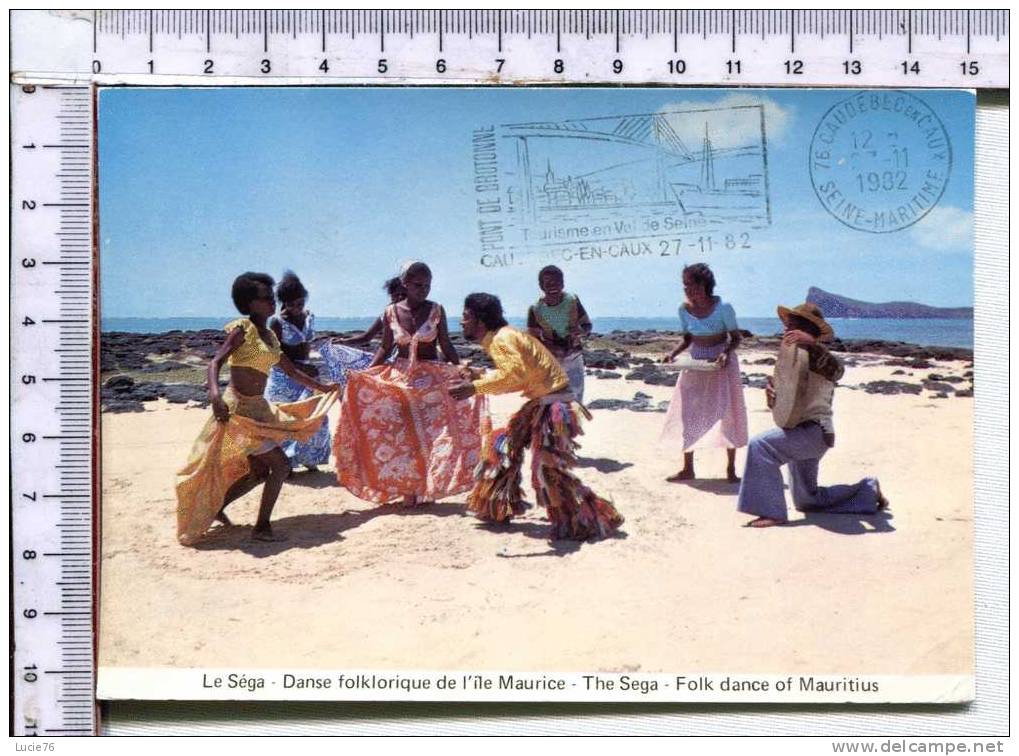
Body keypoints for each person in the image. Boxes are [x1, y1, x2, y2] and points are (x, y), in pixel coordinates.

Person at [176, 272, 339, 544]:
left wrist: (324, 388)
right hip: (236, 411)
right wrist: (215, 397)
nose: (271, 302)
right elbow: (215, 363)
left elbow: (291, 371)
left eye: (271, 297)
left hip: (258, 410)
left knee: (259, 472)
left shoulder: (271, 339)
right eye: (265, 298)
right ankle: (261, 526)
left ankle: (216, 508)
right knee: (281, 465)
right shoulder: (243, 330)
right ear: (249, 304)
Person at [449, 293, 623, 541]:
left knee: (547, 469)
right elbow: (517, 372)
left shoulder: (502, 340)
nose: (461, 323)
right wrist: (479, 377)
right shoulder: (502, 337)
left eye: (465, 317)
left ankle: (589, 518)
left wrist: (475, 387)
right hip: (542, 401)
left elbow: (513, 377)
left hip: (555, 405)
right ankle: (497, 506)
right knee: (504, 446)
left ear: (480, 320)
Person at [333, 262, 486, 507]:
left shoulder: (437, 309)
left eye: (427, 285)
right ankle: (410, 490)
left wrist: (461, 369)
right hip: (401, 378)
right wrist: (366, 373)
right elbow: (385, 346)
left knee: (434, 435)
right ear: (405, 284)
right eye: (418, 285)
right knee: (402, 436)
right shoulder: (391, 312)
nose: (423, 289)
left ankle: (428, 488)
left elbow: (445, 345)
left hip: (432, 380)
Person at [738, 303, 889, 528]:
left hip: (815, 432)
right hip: (797, 431)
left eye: (794, 326)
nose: (787, 331)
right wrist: (772, 397)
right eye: (787, 326)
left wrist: (812, 345)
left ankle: (771, 512)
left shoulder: (818, 358)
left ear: (809, 331)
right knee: (807, 500)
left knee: (760, 446)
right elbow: (785, 403)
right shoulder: (791, 358)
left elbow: (838, 370)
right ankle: (867, 490)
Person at [659, 263, 748, 483]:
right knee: (687, 412)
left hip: (720, 362)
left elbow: (735, 338)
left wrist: (726, 353)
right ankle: (688, 468)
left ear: (705, 285)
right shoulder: (683, 309)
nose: (688, 289)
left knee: (726, 412)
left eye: (692, 284)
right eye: (685, 285)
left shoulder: (723, 307)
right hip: (696, 360)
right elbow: (688, 338)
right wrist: (672, 354)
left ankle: (731, 469)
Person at [264, 271, 331, 472]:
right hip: (283, 378)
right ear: (283, 302)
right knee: (285, 420)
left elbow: (307, 347)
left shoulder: (309, 317)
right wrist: (303, 368)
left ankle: (310, 459)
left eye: (300, 303)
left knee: (314, 416)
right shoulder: (276, 322)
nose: (296, 308)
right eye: (291, 304)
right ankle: (286, 465)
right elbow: (275, 357)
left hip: (306, 377)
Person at [526, 265, 593, 403]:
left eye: (557, 283)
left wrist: (580, 331)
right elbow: (532, 339)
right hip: (550, 361)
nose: (553, 287)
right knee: (549, 403)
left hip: (573, 357)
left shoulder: (573, 301)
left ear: (562, 284)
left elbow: (587, 325)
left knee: (575, 402)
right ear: (541, 286)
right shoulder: (535, 309)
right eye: (548, 284)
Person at [331, 277, 405, 347]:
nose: (400, 297)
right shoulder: (388, 314)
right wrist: (342, 341)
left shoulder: (415, 314)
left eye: (404, 294)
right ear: (391, 296)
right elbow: (367, 337)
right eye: (396, 295)